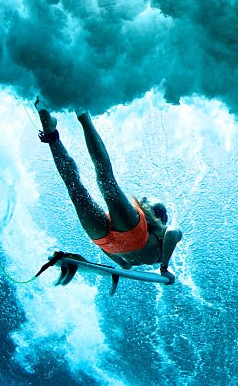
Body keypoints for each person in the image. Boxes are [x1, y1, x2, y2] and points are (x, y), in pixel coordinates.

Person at [36, 101, 182, 284]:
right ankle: (83, 115)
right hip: (123, 236)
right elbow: (173, 232)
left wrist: (92, 261)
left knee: (75, 188)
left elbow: (125, 265)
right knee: (103, 181)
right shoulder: (166, 237)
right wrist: (164, 268)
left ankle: (51, 132)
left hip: (107, 240)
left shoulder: (153, 245)